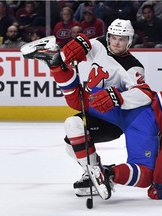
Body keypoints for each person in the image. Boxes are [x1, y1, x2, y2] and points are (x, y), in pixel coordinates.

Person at [20, 19, 150, 197]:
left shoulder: (132, 67)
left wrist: (116, 97)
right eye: (113, 38)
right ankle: (95, 173)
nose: (116, 42)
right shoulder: (102, 43)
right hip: (92, 105)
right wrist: (81, 44)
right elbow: (79, 52)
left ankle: (97, 173)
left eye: (122, 39)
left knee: (73, 125)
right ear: (109, 36)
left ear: (130, 40)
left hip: (111, 119)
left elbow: (144, 95)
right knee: (70, 145)